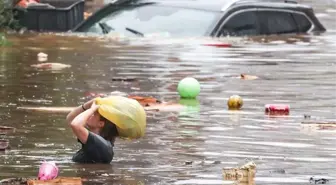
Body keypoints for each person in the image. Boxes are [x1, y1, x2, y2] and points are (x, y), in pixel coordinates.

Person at [66, 98, 118, 164]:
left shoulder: (100, 144)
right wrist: (87, 106)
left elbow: (75, 124)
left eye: (93, 114)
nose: (89, 114)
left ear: (101, 123)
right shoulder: (97, 141)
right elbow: (71, 119)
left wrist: (92, 109)